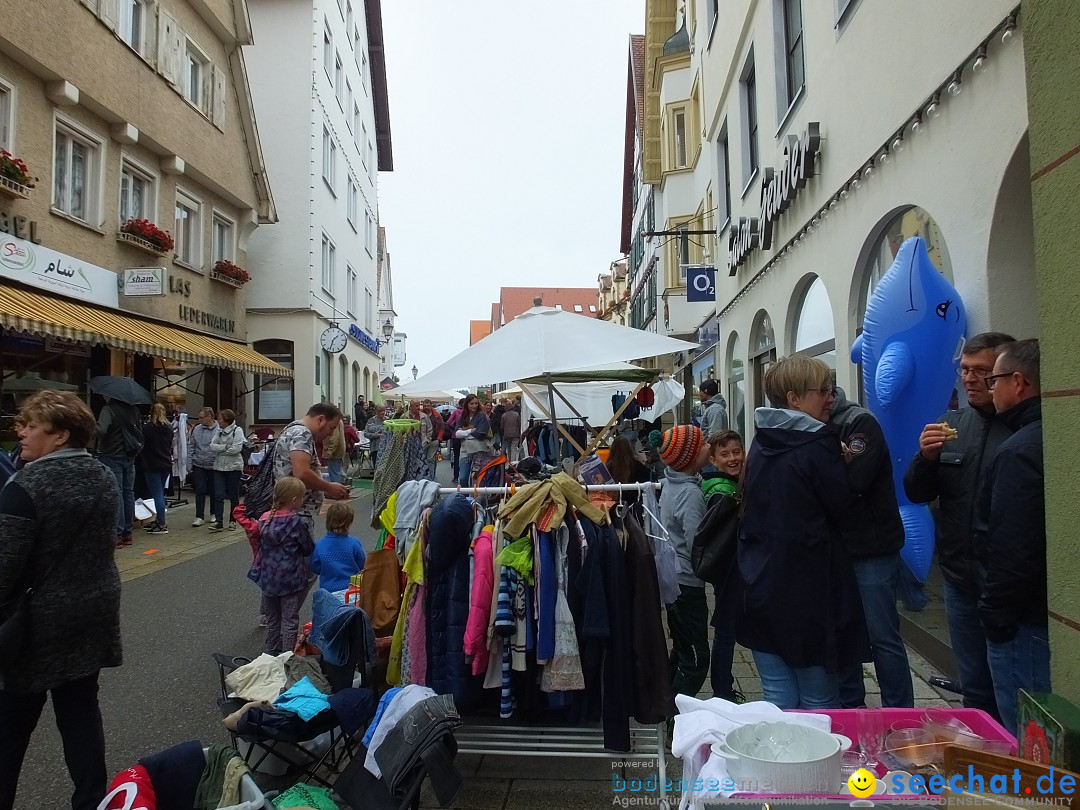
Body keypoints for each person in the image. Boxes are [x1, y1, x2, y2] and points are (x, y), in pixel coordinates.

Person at [0, 391, 122, 810]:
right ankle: (91, 800)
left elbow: (4, 566)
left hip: (36, 624)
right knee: (80, 713)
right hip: (90, 609)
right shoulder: (102, 474)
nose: (21, 431)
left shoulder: (27, 485)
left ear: (60, 435)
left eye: (31, 425)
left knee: (11, 725)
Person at [737, 355, 869, 709]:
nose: (831, 397)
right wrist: (844, 469)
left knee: (778, 698)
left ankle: (778, 765)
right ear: (794, 399)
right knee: (819, 703)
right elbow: (847, 515)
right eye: (823, 390)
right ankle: (812, 767)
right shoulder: (819, 446)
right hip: (810, 594)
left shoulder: (761, 441)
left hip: (761, 585)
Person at [903, 332, 1015, 720]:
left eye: (981, 371)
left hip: (1007, 585)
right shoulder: (952, 423)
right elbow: (917, 493)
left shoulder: (1023, 429)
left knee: (1013, 690)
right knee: (975, 686)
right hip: (959, 578)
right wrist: (925, 459)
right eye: (964, 370)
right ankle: (982, 763)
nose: (969, 379)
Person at [974, 338, 1048, 734]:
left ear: (1018, 382)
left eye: (994, 379)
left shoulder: (1021, 449)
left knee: (1029, 734)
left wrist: (994, 616)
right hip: (1032, 611)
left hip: (1022, 620)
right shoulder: (1041, 434)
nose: (988, 388)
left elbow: (1014, 546)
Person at [828, 387, 914, 708]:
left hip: (871, 550)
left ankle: (899, 715)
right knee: (843, 632)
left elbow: (853, 483)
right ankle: (851, 707)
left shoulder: (860, 423)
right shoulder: (813, 425)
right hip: (837, 549)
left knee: (882, 637)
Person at [657, 425, 712, 701]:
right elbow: (697, 544)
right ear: (690, 457)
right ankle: (675, 715)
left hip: (673, 578)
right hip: (688, 583)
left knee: (681, 648)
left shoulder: (669, 482)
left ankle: (664, 701)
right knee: (697, 658)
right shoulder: (690, 495)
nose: (709, 446)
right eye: (703, 444)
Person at [700, 429, 745, 702]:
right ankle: (722, 692)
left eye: (736, 452)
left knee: (727, 634)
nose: (732, 458)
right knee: (726, 635)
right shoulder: (721, 493)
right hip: (729, 573)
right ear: (713, 460)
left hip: (730, 572)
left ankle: (723, 688)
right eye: (725, 454)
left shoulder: (729, 482)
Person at [246, 476, 315, 655]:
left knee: (272, 618)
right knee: (290, 619)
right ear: (294, 500)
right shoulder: (296, 522)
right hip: (290, 579)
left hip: (268, 578)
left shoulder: (263, 519)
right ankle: (287, 656)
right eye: (301, 497)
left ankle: (271, 652)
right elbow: (307, 548)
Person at [271, 403, 352, 536]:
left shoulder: (292, 429)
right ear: (321, 420)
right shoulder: (302, 434)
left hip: (290, 512)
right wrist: (329, 487)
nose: (331, 433)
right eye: (331, 428)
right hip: (297, 514)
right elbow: (302, 473)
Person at [95, 394, 143, 547]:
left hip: (111, 455)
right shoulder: (133, 410)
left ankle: (117, 533)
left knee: (117, 493)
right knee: (128, 493)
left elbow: (101, 430)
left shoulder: (108, 410)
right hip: (130, 456)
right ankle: (127, 533)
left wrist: (91, 428)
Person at [310, 502, 367, 593]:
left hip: (328, 590)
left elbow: (315, 567)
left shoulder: (319, 544)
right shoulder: (354, 543)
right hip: (351, 588)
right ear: (348, 524)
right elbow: (363, 563)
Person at [140, 403, 174, 535]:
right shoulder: (169, 428)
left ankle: (161, 523)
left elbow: (143, 445)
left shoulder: (147, 428)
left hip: (152, 463)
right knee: (161, 493)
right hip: (165, 462)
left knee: (157, 494)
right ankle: (160, 519)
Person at [209, 409, 245, 532]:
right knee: (218, 494)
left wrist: (220, 450)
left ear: (226, 420)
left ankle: (232, 520)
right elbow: (211, 446)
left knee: (233, 495)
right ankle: (218, 521)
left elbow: (236, 449)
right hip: (219, 467)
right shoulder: (218, 431)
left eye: (220, 419)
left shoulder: (237, 431)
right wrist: (225, 447)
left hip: (233, 467)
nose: (218, 421)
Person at [187, 407, 218, 527]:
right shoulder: (196, 429)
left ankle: (214, 513)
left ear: (210, 417)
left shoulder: (219, 429)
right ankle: (199, 516)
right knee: (200, 490)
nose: (199, 420)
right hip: (199, 463)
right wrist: (189, 463)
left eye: (201, 417)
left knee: (214, 490)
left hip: (213, 464)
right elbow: (191, 446)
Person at [454, 394, 493, 487]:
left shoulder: (481, 415)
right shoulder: (463, 415)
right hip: (465, 451)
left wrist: (464, 432)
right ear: (467, 404)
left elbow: (481, 433)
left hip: (479, 449)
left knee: (477, 479)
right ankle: (465, 499)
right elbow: (456, 433)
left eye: (476, 403)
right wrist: (470, 430)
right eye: (472, 403)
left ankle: (476, 500)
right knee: (463, 478)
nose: (474, 406)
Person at [606, 435, 651, 512]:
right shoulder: (638, 466)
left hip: (613, 508)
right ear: (629, 449)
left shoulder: (608, 467)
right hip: (635, 507)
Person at [323, 415, 347, 484]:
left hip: (335, 451)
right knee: (337, 471)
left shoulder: (334, 421)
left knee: (334, 473)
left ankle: (336, 491)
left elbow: (334, 439)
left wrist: (329, 451)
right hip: (338, 450)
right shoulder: (338, 420)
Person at [364, 404, 387, 469]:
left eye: (384, 411)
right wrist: (374, 435)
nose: (383, 412)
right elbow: (365, 433)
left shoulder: (388, 421)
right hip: (375, 448)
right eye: (380, 411)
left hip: (386, 448)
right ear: (376, 412)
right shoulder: (371, 420)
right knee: (377, 468)